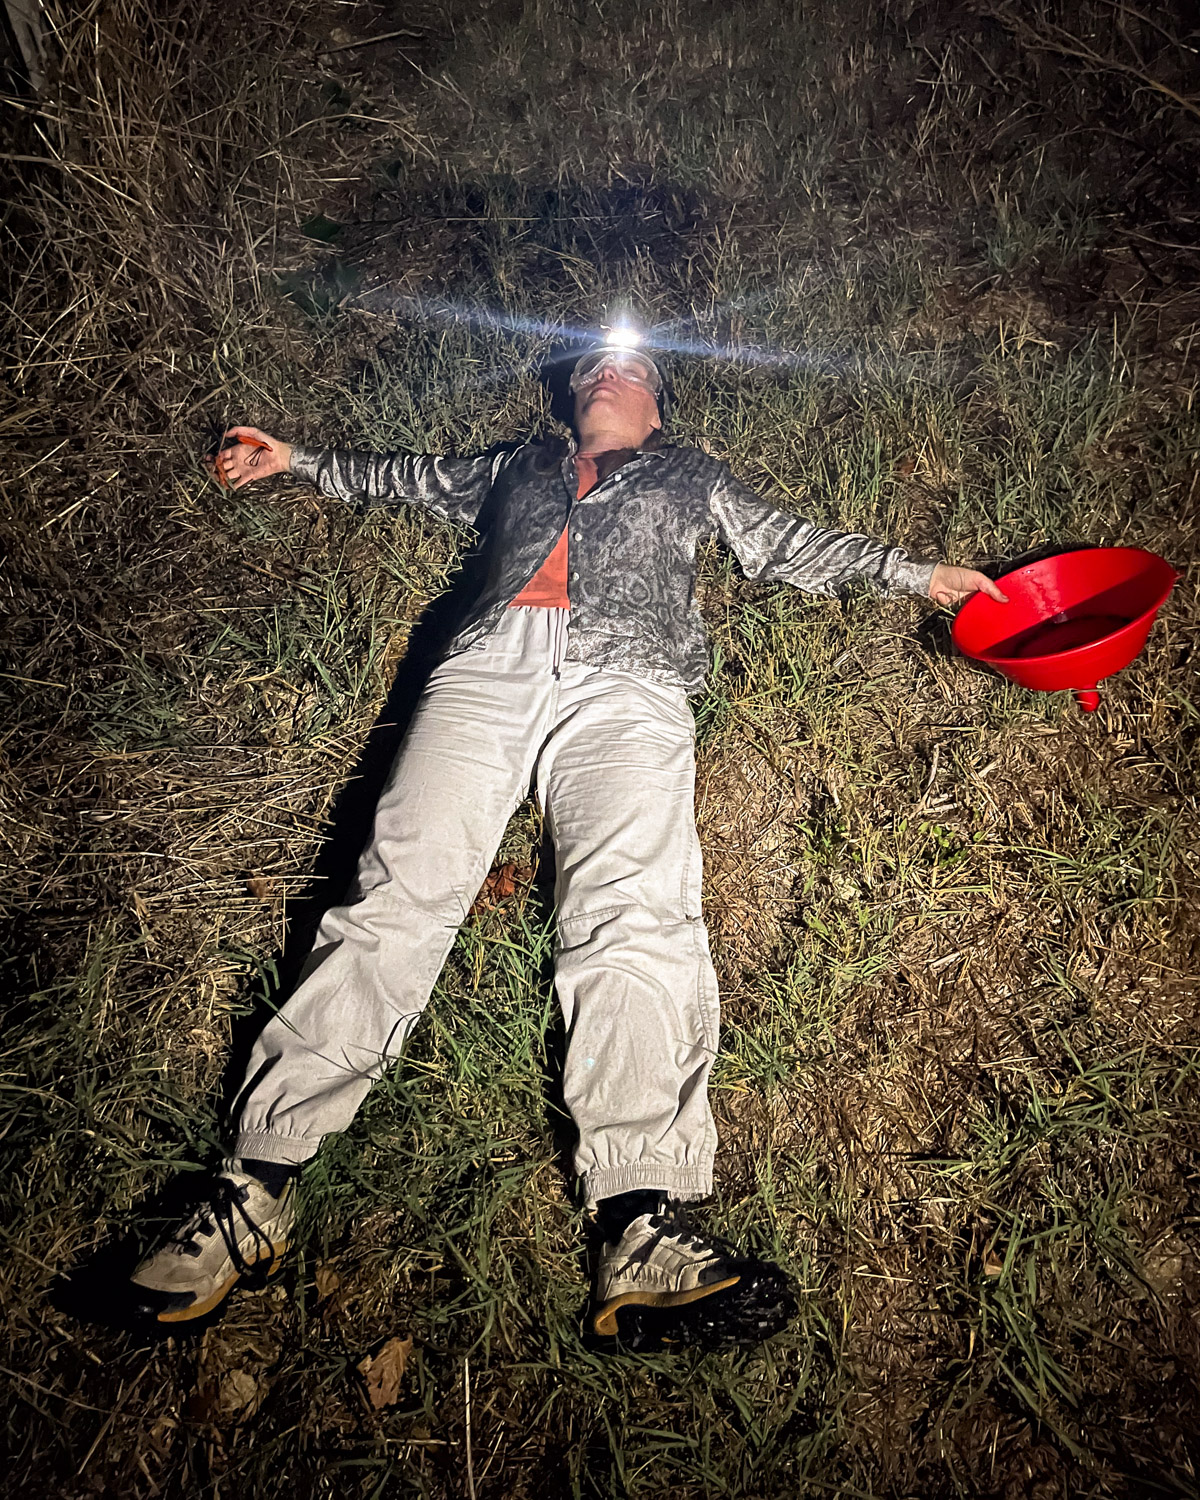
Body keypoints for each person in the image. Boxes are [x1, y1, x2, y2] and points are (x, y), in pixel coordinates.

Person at [129, 339, 1006, 1349]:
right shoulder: (518, 465)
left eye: (628, 367)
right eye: (591, 365)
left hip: (630, 686)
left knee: (634, 912)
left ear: (658, 408)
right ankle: (253, 1189)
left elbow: (783, 542)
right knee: (395, 895)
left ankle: (639, 1220)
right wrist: (296, 458)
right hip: (487, 673)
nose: (604, 371)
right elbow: (409, 477)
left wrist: (918, 574)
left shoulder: (689, 475)